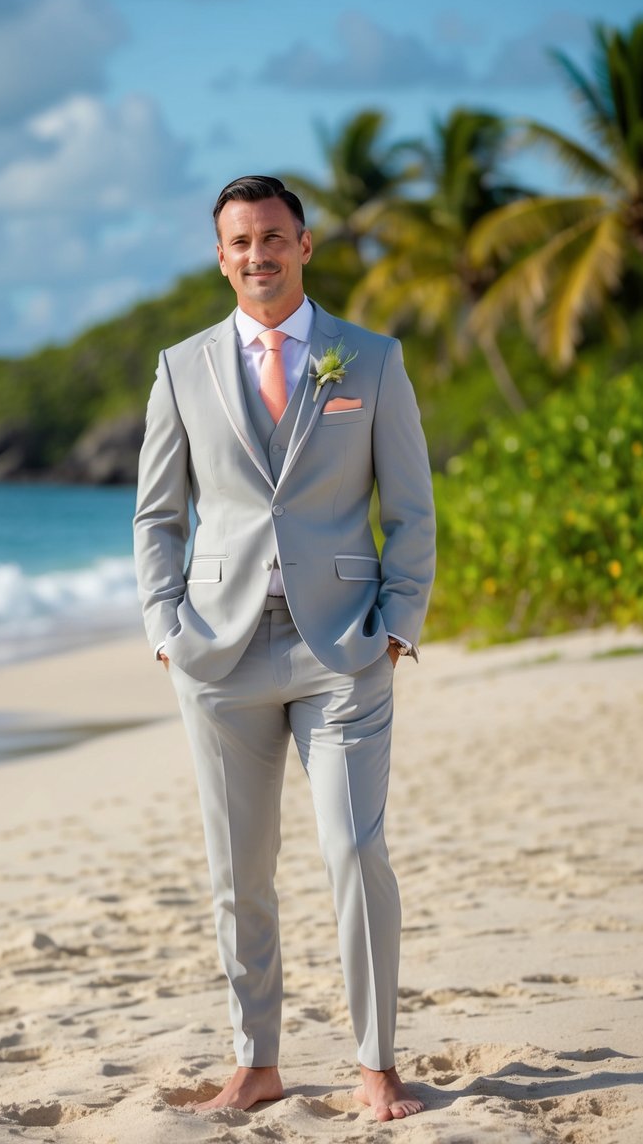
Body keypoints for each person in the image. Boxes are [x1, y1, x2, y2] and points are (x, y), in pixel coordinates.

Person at [133, 175, 435, 1121]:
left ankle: (375, 1063)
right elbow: (157, 514)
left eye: (273, 237)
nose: (256, 255)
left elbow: (411, 509)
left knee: (354, 851)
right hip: (216, 654)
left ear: (304, 246)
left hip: (342, 649)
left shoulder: (369, 359)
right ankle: (255, 1061)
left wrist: (396, 625)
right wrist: (164, 629)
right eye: (238, 242)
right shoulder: (180, 367)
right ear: (218, 256)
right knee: (239, 870)